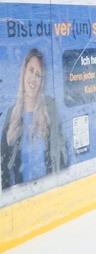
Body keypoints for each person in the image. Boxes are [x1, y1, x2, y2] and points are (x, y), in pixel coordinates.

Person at [1, 48, 67, 189]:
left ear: (42, 81)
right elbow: (4, 165)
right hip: (20, 195)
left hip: (47, 191)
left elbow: (60, 153)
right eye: (31, 70)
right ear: (24, 72)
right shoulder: (11, 114)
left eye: (38, 75)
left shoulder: (50, 108)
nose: (33, 78)